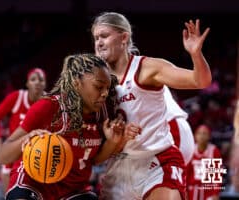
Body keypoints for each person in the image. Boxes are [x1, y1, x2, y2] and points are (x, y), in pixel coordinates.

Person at [91, 12, 212, 199]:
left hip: (156, 159)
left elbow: (201, 81)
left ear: (124, 37)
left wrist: (196, 54)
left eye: (104, 36)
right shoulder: (93, 80)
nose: (99, 43)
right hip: (118, 166)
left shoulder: (147, 68)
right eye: (96, 38)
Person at [0, 53, 135, 200]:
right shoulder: (49, 106)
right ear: (76, 83)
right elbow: (3, 156)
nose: (104, 94)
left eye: (107, 88)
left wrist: (112, 142)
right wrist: (26, 139)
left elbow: (93, 160)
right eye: (98, 87)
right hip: (33, 183)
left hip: (73, 190)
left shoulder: (103, 113)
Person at [0, 67, 46, 191]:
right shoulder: (17, 97)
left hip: (38, 152)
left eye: (41, 80)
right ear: (27, 83)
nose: (37, 82)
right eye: (33, 79)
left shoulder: (49, 102)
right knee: (9, 190)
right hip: (15, 149)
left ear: (45, 84)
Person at [186, 124, 222, 200]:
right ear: (195, 136)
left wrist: (216, 193)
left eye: (204, 133)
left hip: (208, 189)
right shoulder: (191, 150)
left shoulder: (214, 151)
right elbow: (186, 173)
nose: (201, 136)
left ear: (209, 136)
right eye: (199, 133)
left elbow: (217, 174)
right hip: (192, 190)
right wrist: (184, 191)